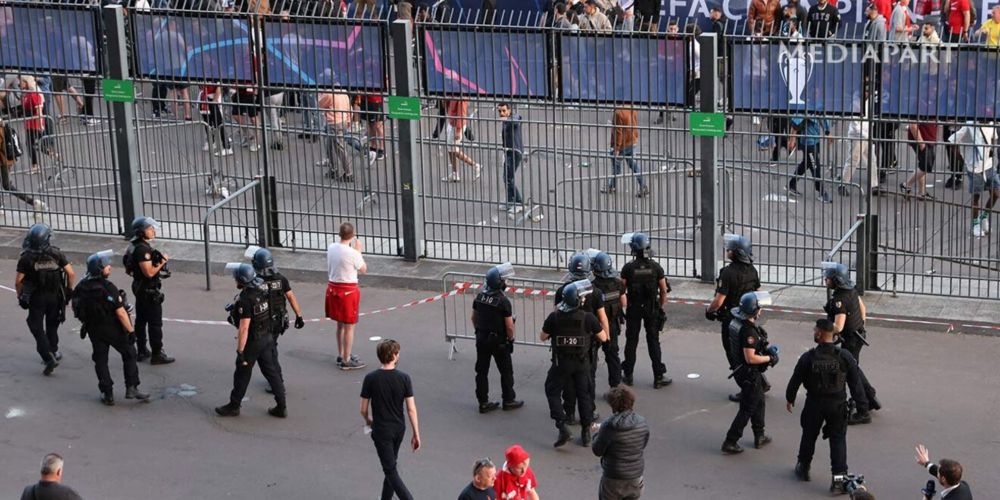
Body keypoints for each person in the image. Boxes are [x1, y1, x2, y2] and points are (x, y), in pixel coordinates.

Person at [785, 319, 869, 489]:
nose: (814, 332)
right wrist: (862, 406)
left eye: (815, 330)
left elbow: (795, 380)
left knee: (809, 435)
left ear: (820, 334)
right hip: (837, 404)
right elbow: (855, 382)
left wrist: (790, 398)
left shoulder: (808, 357)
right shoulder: (844, 356)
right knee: (838, 439)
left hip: (814, 403)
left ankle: (803, 467)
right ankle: (838, 480)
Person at [72, 250, 149, 406]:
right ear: (100, 269)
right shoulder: (108, 287)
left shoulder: (81, 286)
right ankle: (131, 387)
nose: (110, 268)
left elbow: (76, 307)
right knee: (129, 353)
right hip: (112, 328)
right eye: (107, 266)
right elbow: (121, 313)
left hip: (93, 329)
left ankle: (107, 393)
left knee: (100, 360)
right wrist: (131, 331)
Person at [541, 280, 608, 447]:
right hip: (582, 363)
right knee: (584, 394)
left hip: (561, 363)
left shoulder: (554, 317)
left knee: (552, 390)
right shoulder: (588, 318)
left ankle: (562, 425)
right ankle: (586, 432)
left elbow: (542, 336)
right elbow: (603, 337)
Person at [214, 263, 287, 418]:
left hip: (254, 341)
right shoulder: (262, 292)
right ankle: (281, 406)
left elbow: (244, 328)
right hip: (267, 338)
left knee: (242, 373)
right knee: (272, 373)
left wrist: (240, 352)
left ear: (241, 281)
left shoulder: (246, 300)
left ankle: (234, 406)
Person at [360, 339, 421, 500]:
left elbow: (363, 409)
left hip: (381, 430)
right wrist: (416, 433)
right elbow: (411, 409)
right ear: (394, 356)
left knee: (390, 469)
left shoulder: (371, 378)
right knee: (391, 464)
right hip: (399, 428)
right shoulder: (404, 378)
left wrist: (368, 421)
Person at [821, 262, 880, 425]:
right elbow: (863, 309)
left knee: (850, 374)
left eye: (828, 278)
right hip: (858, 335)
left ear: (837, 280)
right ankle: (870, 397)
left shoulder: (840, 299)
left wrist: (824, 332)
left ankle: (863, 410)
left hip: (851, 339)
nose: (826, 281)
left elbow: (838, 326)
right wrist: (860, 325)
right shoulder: (851, 290)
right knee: (854, 367)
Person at [705, 234, 761, 402]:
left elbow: (719, 300)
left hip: (732, 319)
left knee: (735, 355)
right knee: (749, 351)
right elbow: (759, 293)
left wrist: (709, 310)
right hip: (749, 317)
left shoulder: (727, 273)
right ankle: (760, 382)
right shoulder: (752, 269)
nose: (727, 251)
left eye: (729, 249)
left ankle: (746, 389)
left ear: (736, 253)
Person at [721, 291, 778, 454]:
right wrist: (769, 358)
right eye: (759, 308)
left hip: (743, 371)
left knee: (759, 401)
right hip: (748, 373)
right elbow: (751, 358)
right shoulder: (749, 332)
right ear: (754, 310)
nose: (761, 311)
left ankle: (759, 435)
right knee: (747, 407)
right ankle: (730, 440)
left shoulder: (736, 322)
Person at [16, 223, 74, 375]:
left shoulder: (26, 257)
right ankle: (53, 351)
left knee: (35, 324)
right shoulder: (56, 254)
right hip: (55, 295)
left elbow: (18, 281)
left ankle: (47, 355)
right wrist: (69, 291)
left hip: (37, 297)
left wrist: (20, 295)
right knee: (52, 324)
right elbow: (71, 273)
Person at [248, 247, 304, 393]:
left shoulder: (255, 282)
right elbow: (291, 297)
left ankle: (277, 382)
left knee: (269, 353)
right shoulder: (281, 279)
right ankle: (275, 380)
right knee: (271, 348)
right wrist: (299, 316)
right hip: (278, 321)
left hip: (262, 323)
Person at [620, 233, 671, 388]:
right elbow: (663, 290)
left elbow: (621, 290)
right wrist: (660, 307)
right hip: (651, 308)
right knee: (653, 341)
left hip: (634, 309)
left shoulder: (628, 268)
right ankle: (658, 377)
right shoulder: (656, 267)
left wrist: (625, 307)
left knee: (631, 341)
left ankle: (628, 375)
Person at [471, 263, 523, 413]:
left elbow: (473, 317)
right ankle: (508, 400)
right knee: (506, 371)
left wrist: (479, 331)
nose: (506, 283)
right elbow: (509, 326)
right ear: (499, 283)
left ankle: (483, 402)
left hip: (481, 338)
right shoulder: (503, 301)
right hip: (498, 341)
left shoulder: (480, 296)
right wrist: (510, 339)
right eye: (505, 280)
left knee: (481, 372)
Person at [123, 216, 175, 365]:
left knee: (141, 319)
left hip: (139, 287)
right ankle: (157, 354)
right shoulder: (142, 249)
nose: (153, 231)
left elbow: (128, 268)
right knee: (155, 323)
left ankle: (142, 350)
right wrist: (163, 261)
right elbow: (149, 272)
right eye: (150, 228)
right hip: (148, 289)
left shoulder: (132, 245)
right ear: (141, 232)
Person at [592, 385, 649, 500]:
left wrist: (597, 435)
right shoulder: (642, 423)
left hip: (613, 476)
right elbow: (643, 443)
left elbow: (597, 450)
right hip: (635, 475)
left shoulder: (609, 426)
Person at [326, 222, 368, 370]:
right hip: (348, 291)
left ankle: (342, 353)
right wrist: (359, 251)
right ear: (352, 235)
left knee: (339, 324)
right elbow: (363, 269)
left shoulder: (331, 247)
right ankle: (347, 359)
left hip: (333, 288)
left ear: (339, 234)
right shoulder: (353, 253)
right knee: (349, 326)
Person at [947, 122, 999, 237]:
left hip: (989, 166)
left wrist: (990, 151)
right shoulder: (969, 126)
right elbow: (952, 140)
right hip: (974, 167)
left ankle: (984, 216)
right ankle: (975, 224)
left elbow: (994, 137)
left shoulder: (990, 123)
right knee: (976, 197)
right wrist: (962, 160)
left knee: (996, 193)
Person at [591, 252, 625, 389]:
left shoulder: (592, 286)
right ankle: (615, 387)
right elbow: (624, 302)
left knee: (591, 357)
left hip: (595, 326)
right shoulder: (618, 283)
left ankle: (589, 388)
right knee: (612, 356)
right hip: (612, 325)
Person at [0, 115, 46, 212]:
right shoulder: (4, 126)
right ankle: (33, 202)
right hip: (7, 160)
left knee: (7, 185)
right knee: (7, 185)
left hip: (3, 160)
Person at [602, 107, 648, 198]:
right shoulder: (632, 108)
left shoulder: (618, 113)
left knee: (616, 164)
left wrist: (616, 149)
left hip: (623, 145)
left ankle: (612, 186)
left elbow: (618, 132)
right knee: (634, 165)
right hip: (632, 142)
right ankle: (643, 187)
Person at [787, 115, 834, 203]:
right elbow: (795, 123)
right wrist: (792, 139)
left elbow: (823, 117)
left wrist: (828, 132)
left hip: (815, 140)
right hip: (808, 141)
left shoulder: (818, 105)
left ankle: (791, 184)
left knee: (806, 163)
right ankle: (821, 192)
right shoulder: (806, 106)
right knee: (815, 166)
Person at [318, 88, 356, 182]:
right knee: (330, 146)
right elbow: (349, 108)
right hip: (342, 121)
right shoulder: (344, 92)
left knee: (339, 147)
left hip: (334, 123)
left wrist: (320, 94)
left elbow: (320, 104)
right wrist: (348, 120)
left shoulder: (329, 93)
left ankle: (348, 173)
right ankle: (333, 169)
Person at [441, 99, 481, 183]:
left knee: (454, 150)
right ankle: (455, 173)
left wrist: (458, 130)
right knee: (451, 150)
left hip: (456, 126)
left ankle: (475, 165)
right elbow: (446, 106)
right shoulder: (451, 92)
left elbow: (461, 114)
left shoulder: (461, 96)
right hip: (452, 124)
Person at [900, 119, 938, 200]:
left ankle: (921, 192)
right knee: (926, 165)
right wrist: (921, 143)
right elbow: (913, 123)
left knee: (923, 164)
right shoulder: (920, 107)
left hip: (928, 137)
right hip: (922, 138)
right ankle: (906, 185)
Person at [498, 103, 525, 214]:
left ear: (509, 110)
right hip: (508, 152)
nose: (501, 113)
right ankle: (510, 200)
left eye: (504, 111)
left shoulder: (514, 117)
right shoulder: (505, 121)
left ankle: (518, 202)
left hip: (515, 152)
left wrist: (506, 119)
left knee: (509, 178)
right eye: (499, 111)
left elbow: (516, 119)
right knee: (506, 177)